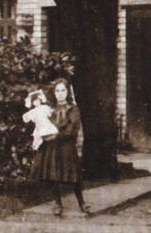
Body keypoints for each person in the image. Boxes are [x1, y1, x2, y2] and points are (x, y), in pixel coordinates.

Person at [30, 78, 91, 217]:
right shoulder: (49, 109)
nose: (60, 94)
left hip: (66, 145)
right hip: (51, 146)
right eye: (57, 91)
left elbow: (72, 128)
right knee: (52, 175)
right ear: (54, 92)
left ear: (68, 92)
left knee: (73, 175)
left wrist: (56, 134)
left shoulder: (73, 108)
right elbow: (42, 123)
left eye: (63, 90)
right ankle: (58, 203)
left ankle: (81, 202)